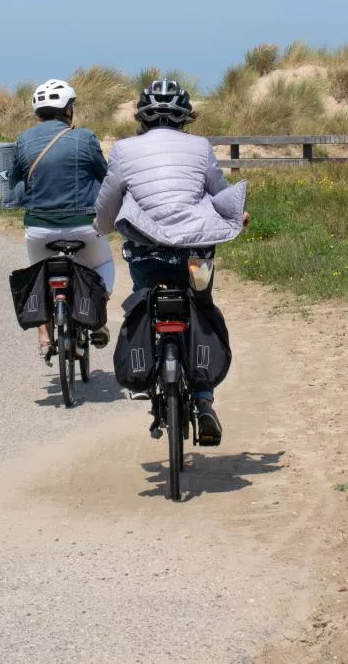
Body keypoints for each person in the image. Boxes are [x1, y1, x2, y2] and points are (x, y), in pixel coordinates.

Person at [93, 79, 248, 443]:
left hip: (146, 252)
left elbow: (108, 203)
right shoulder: (200, 146)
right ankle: (205, 402)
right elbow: (220, 192)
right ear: (185, 117)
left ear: (142, 117)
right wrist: (237, 215)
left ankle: (149, 375)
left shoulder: (124, 150)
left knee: (145, 299)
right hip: (196, 252)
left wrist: (100, 227)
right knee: (203, 306)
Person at [9, 78, 116, 359]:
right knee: (104, 264)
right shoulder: (85, 137)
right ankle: (97, 317)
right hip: (84, 225)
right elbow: (104, 176)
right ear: (69, 109)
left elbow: (15, 184)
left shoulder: (23, 141)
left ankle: (44, 335)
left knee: (40, 276)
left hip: (39, 228)